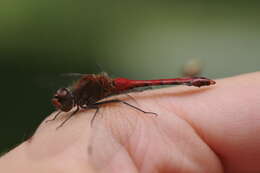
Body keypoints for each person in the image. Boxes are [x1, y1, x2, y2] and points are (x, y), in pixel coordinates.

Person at [0, 72, 260, 173]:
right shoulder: (79, 98)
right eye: (61, 100)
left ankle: (191, 82)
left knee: (123, 101)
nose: (60, 101)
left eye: (63, 99)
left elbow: (111, 108)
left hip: (124, 91)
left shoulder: (86, 98)